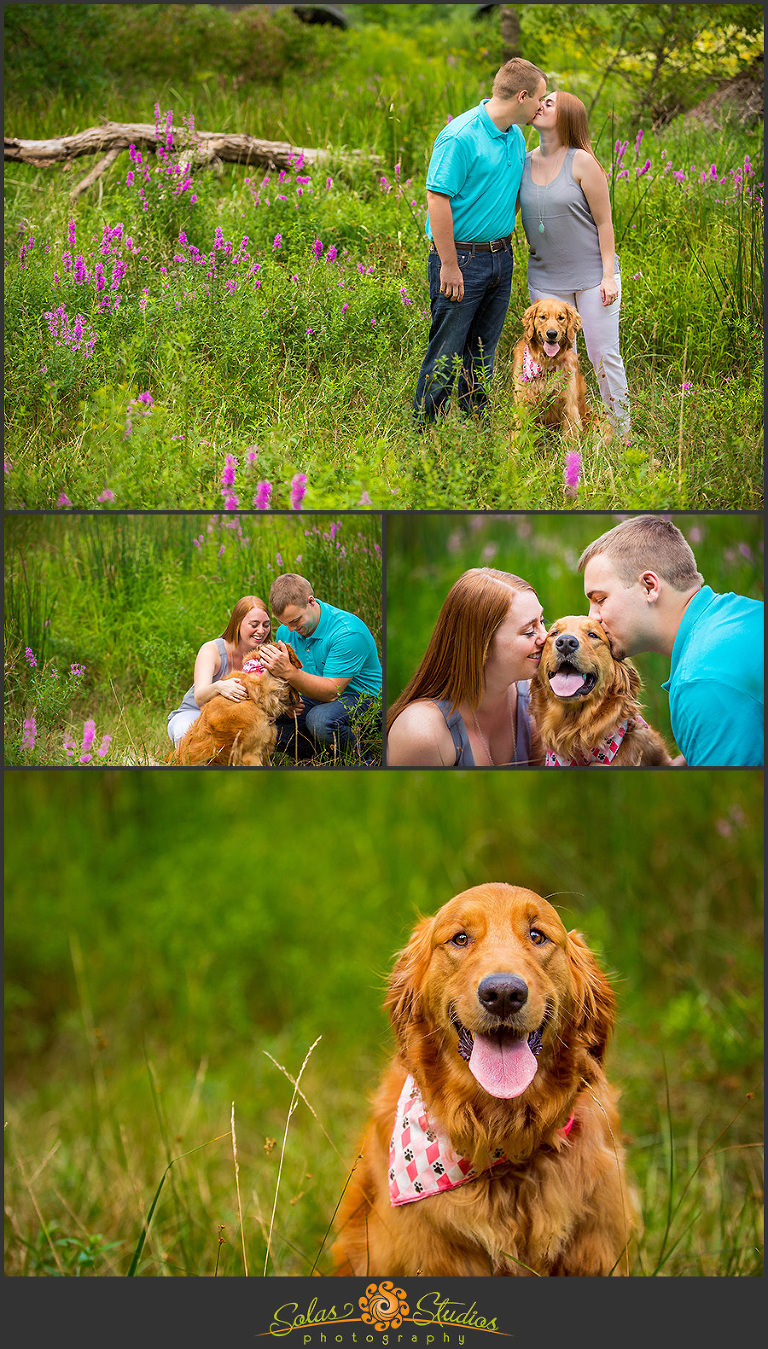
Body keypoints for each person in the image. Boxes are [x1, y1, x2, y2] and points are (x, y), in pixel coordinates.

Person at [413, 57, 547, 426]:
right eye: (539, 99)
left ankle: (476, 431)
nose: (541, 106)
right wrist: (450, 265)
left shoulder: (516, 136)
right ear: (522, 96)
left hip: (501, 258)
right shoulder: (460, 136)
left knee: (482, 353)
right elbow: (436, 199)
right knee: (446, 351)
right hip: (461, 262)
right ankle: (426, 432)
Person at [579, 517, 764, 767]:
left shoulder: (702, 681)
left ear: (649, 587)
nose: (592, 619)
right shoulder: (736, 614)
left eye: (600, 600)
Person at [518, 90, 630, 434]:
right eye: (541, 100)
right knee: (552, 357)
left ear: (565, 118)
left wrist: (609, 275)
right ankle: (560, 428)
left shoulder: (581, 161)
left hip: (593, 277)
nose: (540, 105)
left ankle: (621, 434)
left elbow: (605, 222)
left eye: (549, 103)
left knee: (603, 356)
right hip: (546, 280)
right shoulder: (523, 160)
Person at [386, 569, 546, 767]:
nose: (546, 638)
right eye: (530, 631)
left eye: (542, 622)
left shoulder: (539, 702)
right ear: (481, 645)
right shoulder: (421, 732)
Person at [258, 574, 382, 760]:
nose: (290, 630)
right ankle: (320, 757)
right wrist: (288, 705)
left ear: (311, 601)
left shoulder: (347, 633)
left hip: (363, 699)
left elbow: (331, 691)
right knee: (264, 718)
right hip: (315, 696)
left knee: (320, 720)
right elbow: (290, 683)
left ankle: (364, 761)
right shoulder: (287, 630)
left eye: (295, 621)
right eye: (284, 623)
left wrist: (289, 672)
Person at [167, 595, 272, 748]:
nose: (261, 631)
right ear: (237, 623)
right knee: (189, 734)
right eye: (254, 624)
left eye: (266, 625)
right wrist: (219, 687)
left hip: (232, 718)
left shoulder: (265, 656)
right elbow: (199, 697)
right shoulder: (212, 650)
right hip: (196, 713)